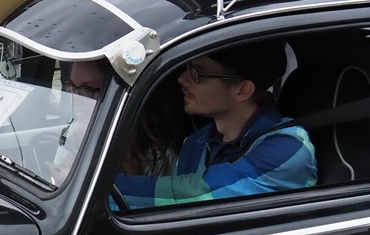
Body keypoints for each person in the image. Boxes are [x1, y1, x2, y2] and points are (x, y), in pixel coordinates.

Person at [116, 46, 316, 209]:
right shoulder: (197, 142)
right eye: (188, 67)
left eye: (198, 73)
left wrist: (104, 192)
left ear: (242, 91)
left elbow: (197, 195)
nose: (182, 79)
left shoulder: (289, 149)